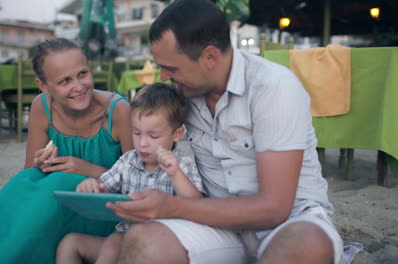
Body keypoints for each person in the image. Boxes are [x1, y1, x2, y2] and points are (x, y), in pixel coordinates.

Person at [105, 0, 344, 264]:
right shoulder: (184, 97)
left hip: (291, 221)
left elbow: (275, 208)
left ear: (210, 57)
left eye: (172, 68)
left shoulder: (273, 87)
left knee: (306, 246)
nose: (163, 76)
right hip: (218, 226)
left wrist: (172, 206)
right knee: (143, 241)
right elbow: (142, 114)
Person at [0, 38, 133, 264]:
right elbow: (29, 175)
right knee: (29, 177)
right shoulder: (42, 106)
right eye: (65, 80)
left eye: (82, 74)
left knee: (58, 182)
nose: (78, 86)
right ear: (43, 86)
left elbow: (139, 183)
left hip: (103, 209)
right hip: (57, 202)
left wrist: (83, 168)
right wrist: (40, 163)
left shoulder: (118, 111)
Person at [56, 83, 204, 264]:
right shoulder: (128, 161)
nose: (142, 143)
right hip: (125, 242)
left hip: (162, 247)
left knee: (115, 241)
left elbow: (196, 204)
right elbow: (104, 189)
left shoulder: (182, 165)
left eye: (153, 136)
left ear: (177, 134)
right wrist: (92, 186)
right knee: (70, 243)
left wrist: (175, 174)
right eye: (136, 132)